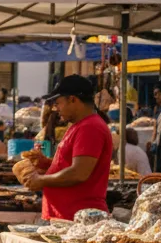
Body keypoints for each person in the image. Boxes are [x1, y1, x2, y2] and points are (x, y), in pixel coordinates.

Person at [23, 76, 112, 221]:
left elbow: (79, 173)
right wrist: (46, 163)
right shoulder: (79, 125)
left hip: (76, 217)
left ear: (73, 99)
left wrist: (41, 180)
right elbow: (71, 165)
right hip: (67, 216)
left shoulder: (90, 127)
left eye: (58, 103)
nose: (56, 108)